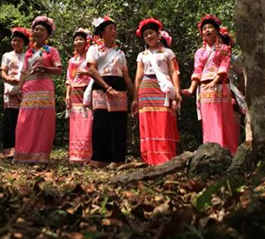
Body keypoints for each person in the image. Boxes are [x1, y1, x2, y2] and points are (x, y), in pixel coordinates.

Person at [184, 15, 240, 154]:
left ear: (217, 31)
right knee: (208, 120)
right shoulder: (199, 52)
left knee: (223, 120)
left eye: (210, 27)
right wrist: (191, 90)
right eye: (204, 28)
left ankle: (228, 151)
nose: (207, 30)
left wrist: (214, 82)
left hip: (220, 86)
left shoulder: (224, 48)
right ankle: (209, 152)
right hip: (204, 88)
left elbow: (224, 67)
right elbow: (197, 71)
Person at [85, 16, 136, 168]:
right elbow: (92, 70)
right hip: (101, 86)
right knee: (101, 122)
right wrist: (107, 87)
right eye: (110, 28)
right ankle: (100, 158)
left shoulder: (120, 53)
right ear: (101, 32)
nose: (114, 31)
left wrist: (135, 97)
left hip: (119, 86)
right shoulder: (94, 49)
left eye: (115, 29)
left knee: (118, 123)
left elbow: (126, 77)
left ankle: (117, 158)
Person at [14, 16, 62, 164]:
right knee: (25, 120)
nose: (38, 32)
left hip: (44, 87)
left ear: (47, 34)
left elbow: (59, 70)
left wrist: (46, 68)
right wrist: (19, 87)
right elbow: (23, 72)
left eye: (42, 30)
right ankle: (23, 153)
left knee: (42, 121)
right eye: (36, 29)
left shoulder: (51, 51)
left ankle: (41, 155)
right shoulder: (28, 52)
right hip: (29, 88)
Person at [134, 18, 181, 165]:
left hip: (163, 88)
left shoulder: (168, 52)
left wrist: (178, 92)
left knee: (164, 121)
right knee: (148, 122)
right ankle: (149, 159)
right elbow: (138, 76)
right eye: (146, 34)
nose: (149, 36)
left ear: (158, 34)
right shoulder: (142, 55)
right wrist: (135, 98)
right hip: (146, 89)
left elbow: (174, 72)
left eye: (151, 33)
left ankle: (166, 158)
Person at [0, 27, 30, 157]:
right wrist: (8, 79)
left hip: (24, 90)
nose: (15, 43)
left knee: (23, 120)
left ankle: (22, 147)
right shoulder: (7, 55)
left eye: (18, 41)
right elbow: (3, 71)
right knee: (10, 119)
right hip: (10, 89)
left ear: (24, 43)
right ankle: (9, 149)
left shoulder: (28, 56)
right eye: (14, 40)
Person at [65, 28, 93, 163]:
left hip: (87, 89)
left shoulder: (90, 57)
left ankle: (87, 153)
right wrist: (67, 95)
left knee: (88, 119)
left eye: (80, 39)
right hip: (75, 91)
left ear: (86, 41)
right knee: (75, 120)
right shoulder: (72, 61)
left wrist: (86, 73)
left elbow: (95, 73)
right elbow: (69, 79)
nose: (77, 42)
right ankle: (75, 154)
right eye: (75, 39)